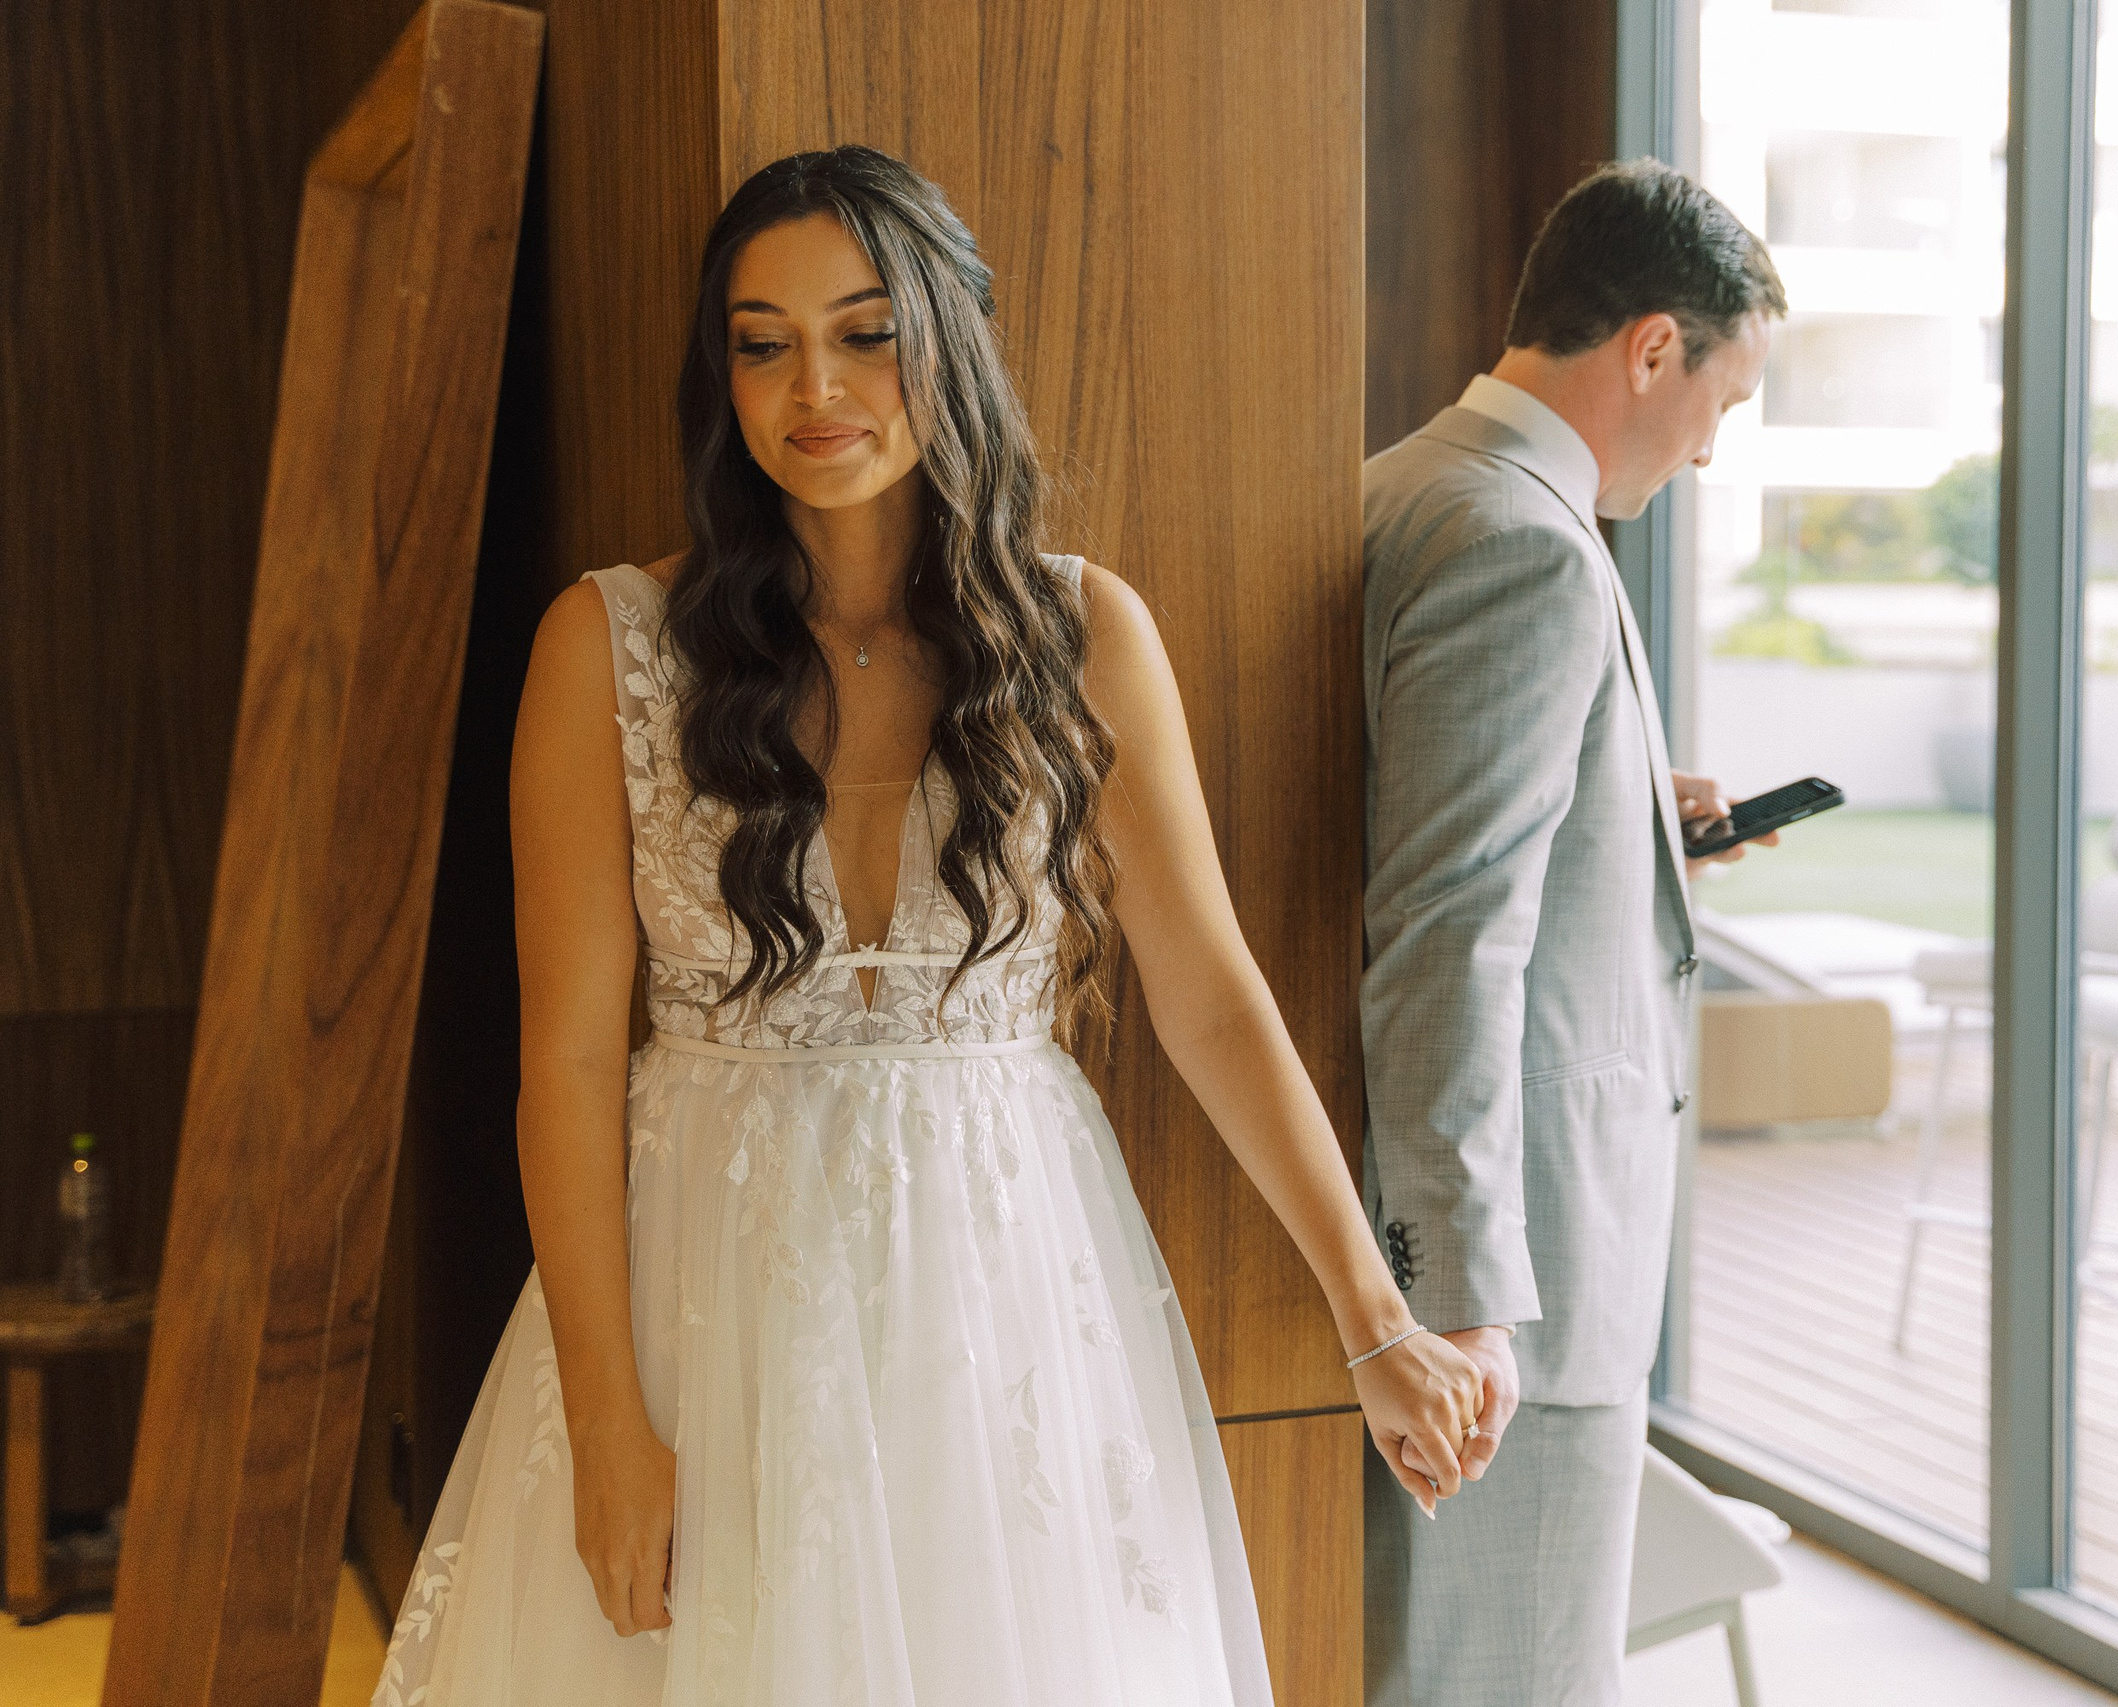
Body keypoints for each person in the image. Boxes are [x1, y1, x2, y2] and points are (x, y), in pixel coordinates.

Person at [371, 144, 1482, 1707]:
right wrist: (610, 1424)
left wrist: (1377, 1322)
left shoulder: (1084, 634)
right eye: (762, 342)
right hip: (711, 1300)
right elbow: (560, 1064)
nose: (812, 383)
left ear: (950, 339)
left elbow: (1213, 998)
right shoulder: (609, 645)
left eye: (864, 330)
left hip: (1005, 1297)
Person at [1359, 159, 1787, 1707]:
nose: (1708, 452)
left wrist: (1630, 813)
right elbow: (1443, 933)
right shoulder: (1525, 544)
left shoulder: (1403, 483)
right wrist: (1465, 1297)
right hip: (1517, 1272)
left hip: (1461, 1252)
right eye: (1722, 406)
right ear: (1653, 347)